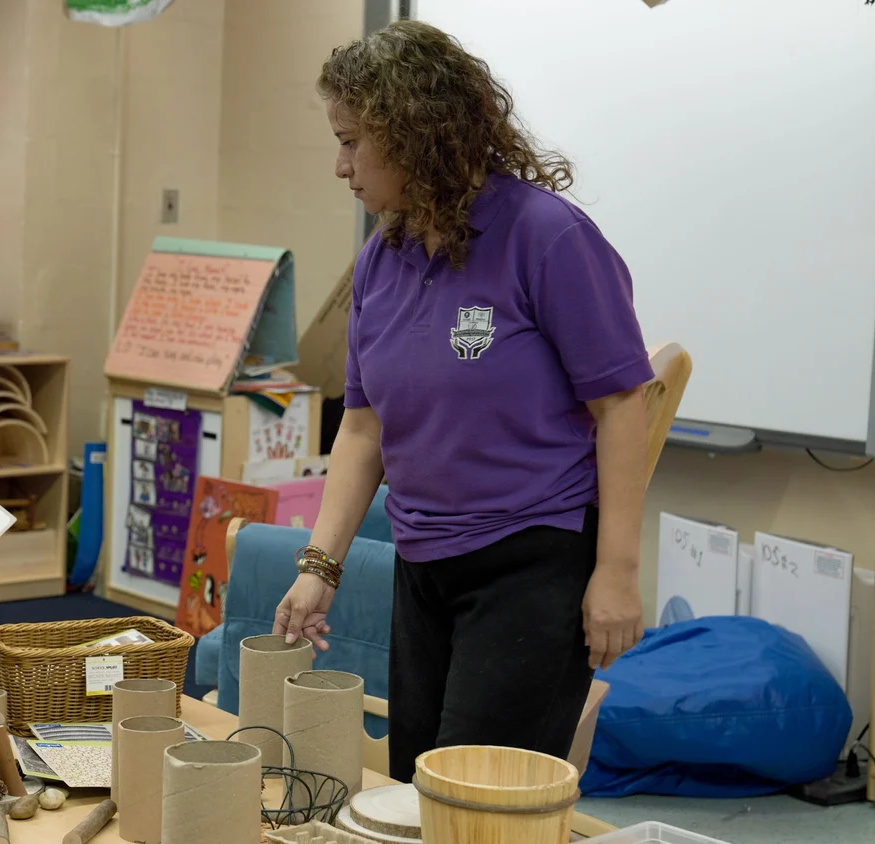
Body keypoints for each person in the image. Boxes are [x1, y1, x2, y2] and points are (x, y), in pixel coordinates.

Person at [274, 21, 653, 783]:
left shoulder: (546, 236)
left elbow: (623, 407)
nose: (340, 167)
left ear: (412, 132)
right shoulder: (381, 258)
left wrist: (615, 572)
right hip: (426, 564)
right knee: (420, 783)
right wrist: (321, 566)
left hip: (532, 558)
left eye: (352, 142)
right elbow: (362, 426)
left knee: (473, 795)